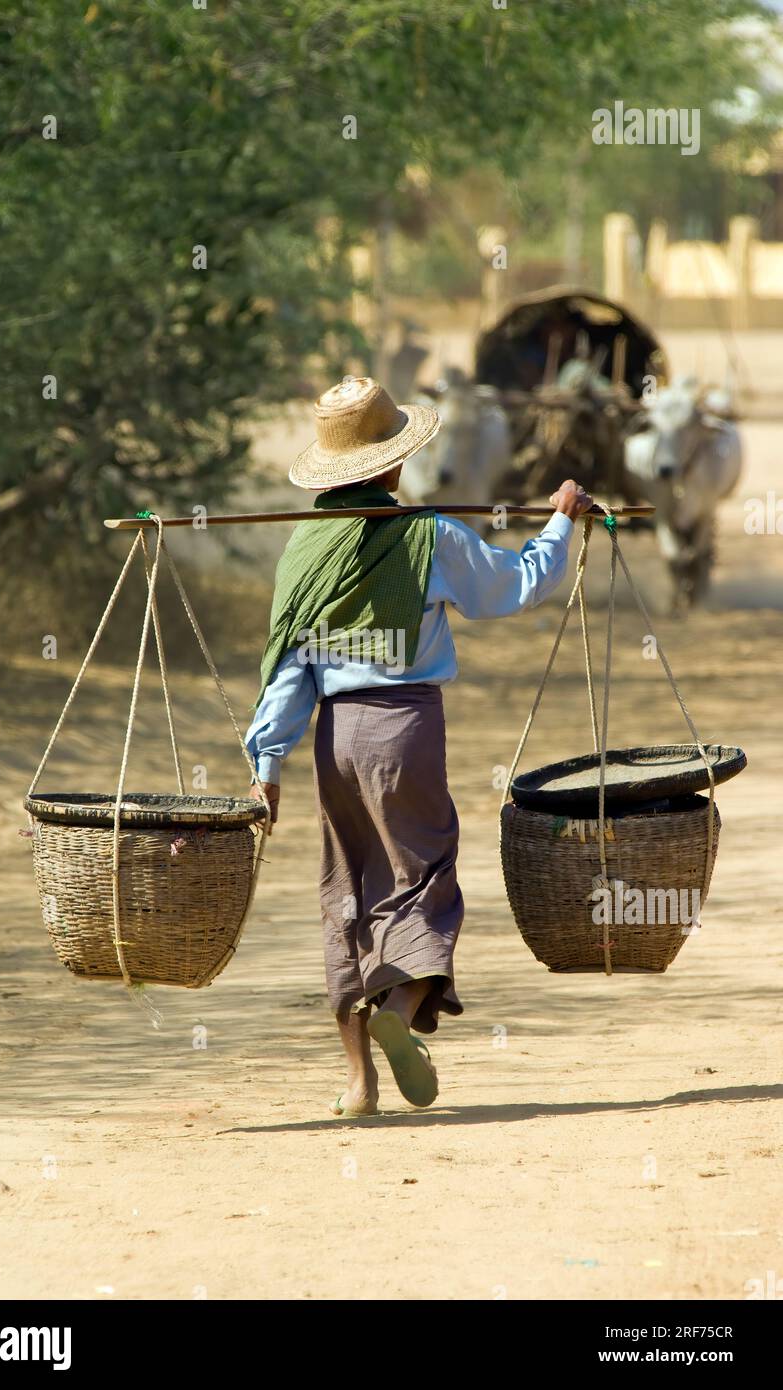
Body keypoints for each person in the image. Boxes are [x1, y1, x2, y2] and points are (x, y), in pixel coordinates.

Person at [246, 376, 592, 1116]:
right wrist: (560, 522)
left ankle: (357, 1085)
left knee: (346, 889)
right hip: (404, 727)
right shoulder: (428, 536)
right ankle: (397, 1014)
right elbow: (512, 587)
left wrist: (264, 765)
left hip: (332, 740)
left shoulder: (303, 551)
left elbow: (289, 667)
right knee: (421, 875)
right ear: (394, 464)